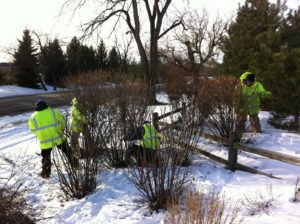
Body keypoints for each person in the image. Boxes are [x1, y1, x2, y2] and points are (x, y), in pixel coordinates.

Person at [29, 100, 77, 179]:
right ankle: (75, 164)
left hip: (45, 142)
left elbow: (33, 131)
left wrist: (41, 133)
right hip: (58, 137)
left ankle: (46, 174)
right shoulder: (53, 112)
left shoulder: (32, 117)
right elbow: (63, 121)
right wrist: (62, 129)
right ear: (46, 105)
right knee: (67, 151)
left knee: (46, 158)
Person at [235, 72, 271, 139]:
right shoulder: (240, 87)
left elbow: (262, 91)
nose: (250, 83)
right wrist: (237, 106)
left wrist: (265, 94)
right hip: (242, 107)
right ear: (245, 80)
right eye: (249, 82)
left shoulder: (257, 85)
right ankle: (238, 134)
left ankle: (258, 135)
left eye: (252, 82)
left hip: (253, 108)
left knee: (255, 121)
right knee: (240, 120)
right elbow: (236, 97)